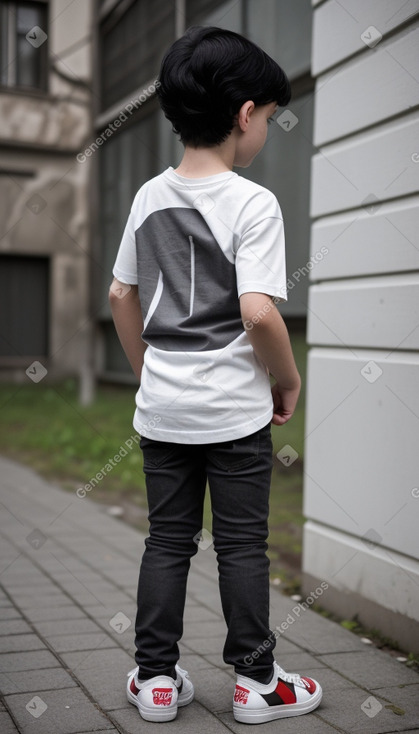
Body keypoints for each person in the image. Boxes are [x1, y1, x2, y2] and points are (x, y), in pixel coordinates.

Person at [109, 25, 322, 724]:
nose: (263, 129)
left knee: (166, 539)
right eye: (265, 117)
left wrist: (149, 373)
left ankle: (156, 681)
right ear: (243, 113)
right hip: (234, 412)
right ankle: (256, 683)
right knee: (239, 546)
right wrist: (286, 381)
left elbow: (119, 296)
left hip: (164, 410)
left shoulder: (146, 197)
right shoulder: (253, 202)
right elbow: (258, 313)